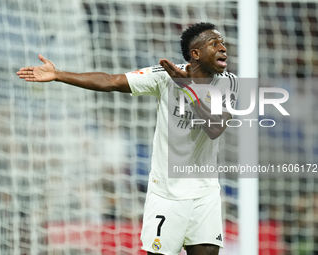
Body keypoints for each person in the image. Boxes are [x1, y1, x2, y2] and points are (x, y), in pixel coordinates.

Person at [17, 22, 239, 255]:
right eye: (215, 43)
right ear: (196, 53)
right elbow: (110, 81)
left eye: (222, 42)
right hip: (166, 193)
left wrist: (186, 87)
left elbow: (215, 127)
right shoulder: (164, 76)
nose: (223, 48)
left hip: (205, 193)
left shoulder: (228, 82)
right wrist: (58, 74)